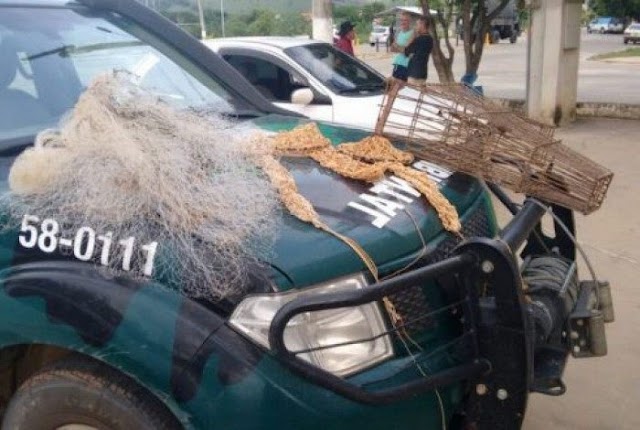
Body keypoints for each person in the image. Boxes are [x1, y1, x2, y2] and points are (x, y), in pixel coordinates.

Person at [404, 17, 433, 87]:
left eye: (417, 24)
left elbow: (406, 52)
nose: (416, 27)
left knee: (412, 95)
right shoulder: (430, 39)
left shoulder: (418, 40)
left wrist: (412, 38)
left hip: (414, 74)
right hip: (422, 72)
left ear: (422, 25)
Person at [390, 12, 414, 82]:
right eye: (401, 20)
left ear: (410, 21)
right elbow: (393, 49)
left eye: (405, 20)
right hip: (397, 64)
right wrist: (397, 47)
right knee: (393, 87)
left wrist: (397, 46)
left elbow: (407, 51)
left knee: (400, 88)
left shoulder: (412, 33)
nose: (403, 22)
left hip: (406, 65)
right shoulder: (400, 33)